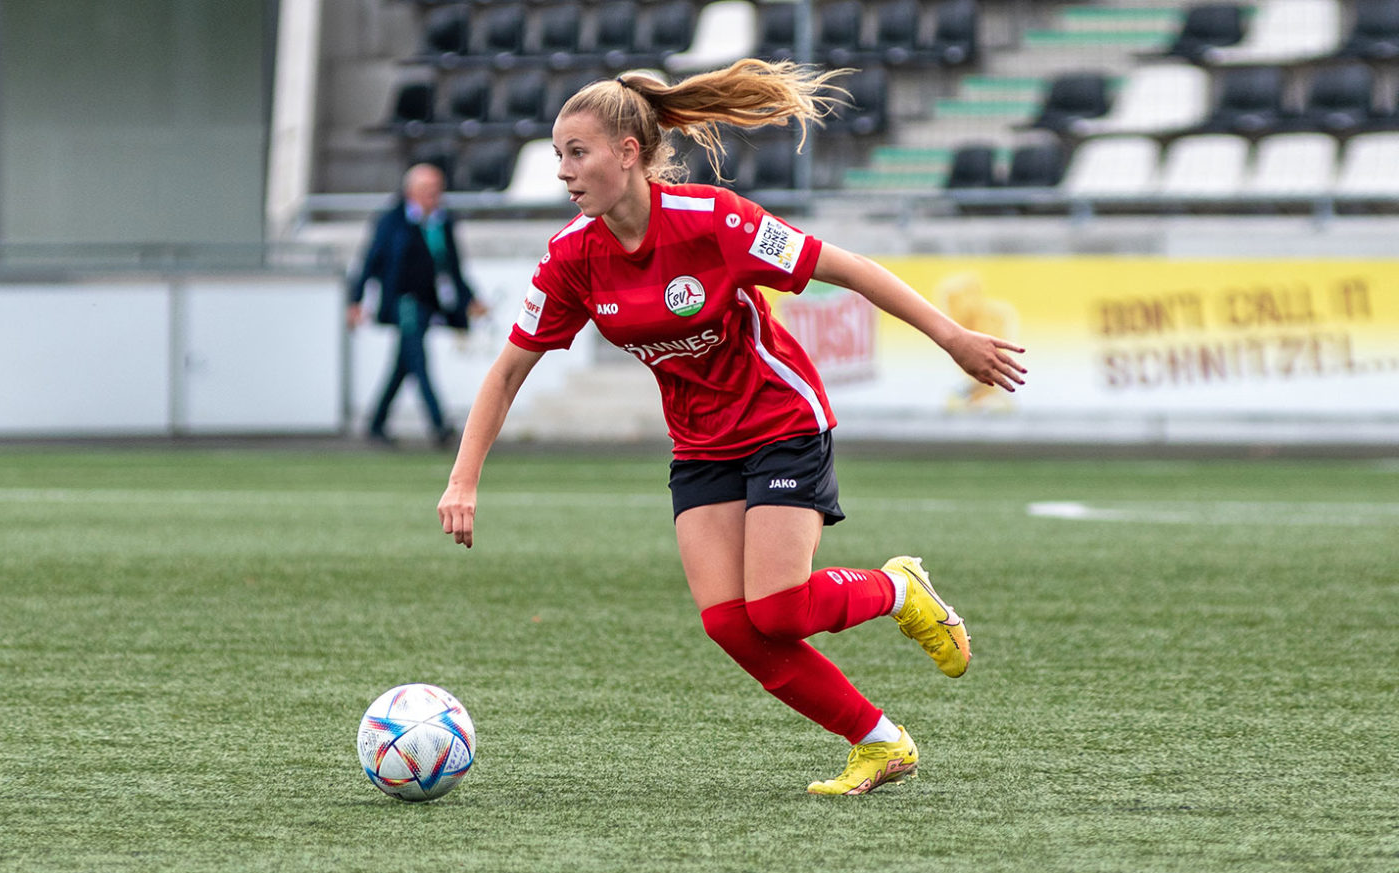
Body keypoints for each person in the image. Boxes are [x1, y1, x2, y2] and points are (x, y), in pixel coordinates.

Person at [436, 60, 1028, 795]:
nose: (563, 171)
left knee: (779, 609)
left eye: (577, 152)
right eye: (557, 155)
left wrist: (953, 338)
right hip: (700, 444)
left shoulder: (714, 221)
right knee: (731, 623)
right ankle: (879, 742)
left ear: (627, 151)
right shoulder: (571, 258)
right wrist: (463, 481)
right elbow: (506, 373)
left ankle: (898, 590)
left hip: (781, 421)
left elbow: (848, 268)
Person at [347, 163, 481, 446]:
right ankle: (439, 424)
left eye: (437, 190)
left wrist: (469, 298)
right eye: (428, 190)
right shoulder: (392, 221)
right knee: (418, 361)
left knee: (403, 364)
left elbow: (452, 267)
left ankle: (376, 423)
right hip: (402, 301)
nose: (435, 196)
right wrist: (355, 300)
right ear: (411, 192)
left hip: (428, 302)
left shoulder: (442, 222)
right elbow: (370, 261)